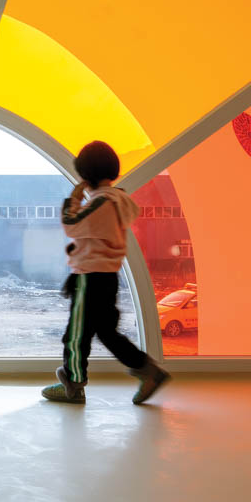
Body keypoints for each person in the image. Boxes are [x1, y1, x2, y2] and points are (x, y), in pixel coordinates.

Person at [42, 140, 171, 405]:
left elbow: (72, 226)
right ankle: (149, 372)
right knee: (106, 333)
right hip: (106, 277)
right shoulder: (119, 201)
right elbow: (92, 238)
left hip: (90, 278)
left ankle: (73, 384)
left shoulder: (102, 203)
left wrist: (74, 199)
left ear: (86, 175)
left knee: (76, 335)